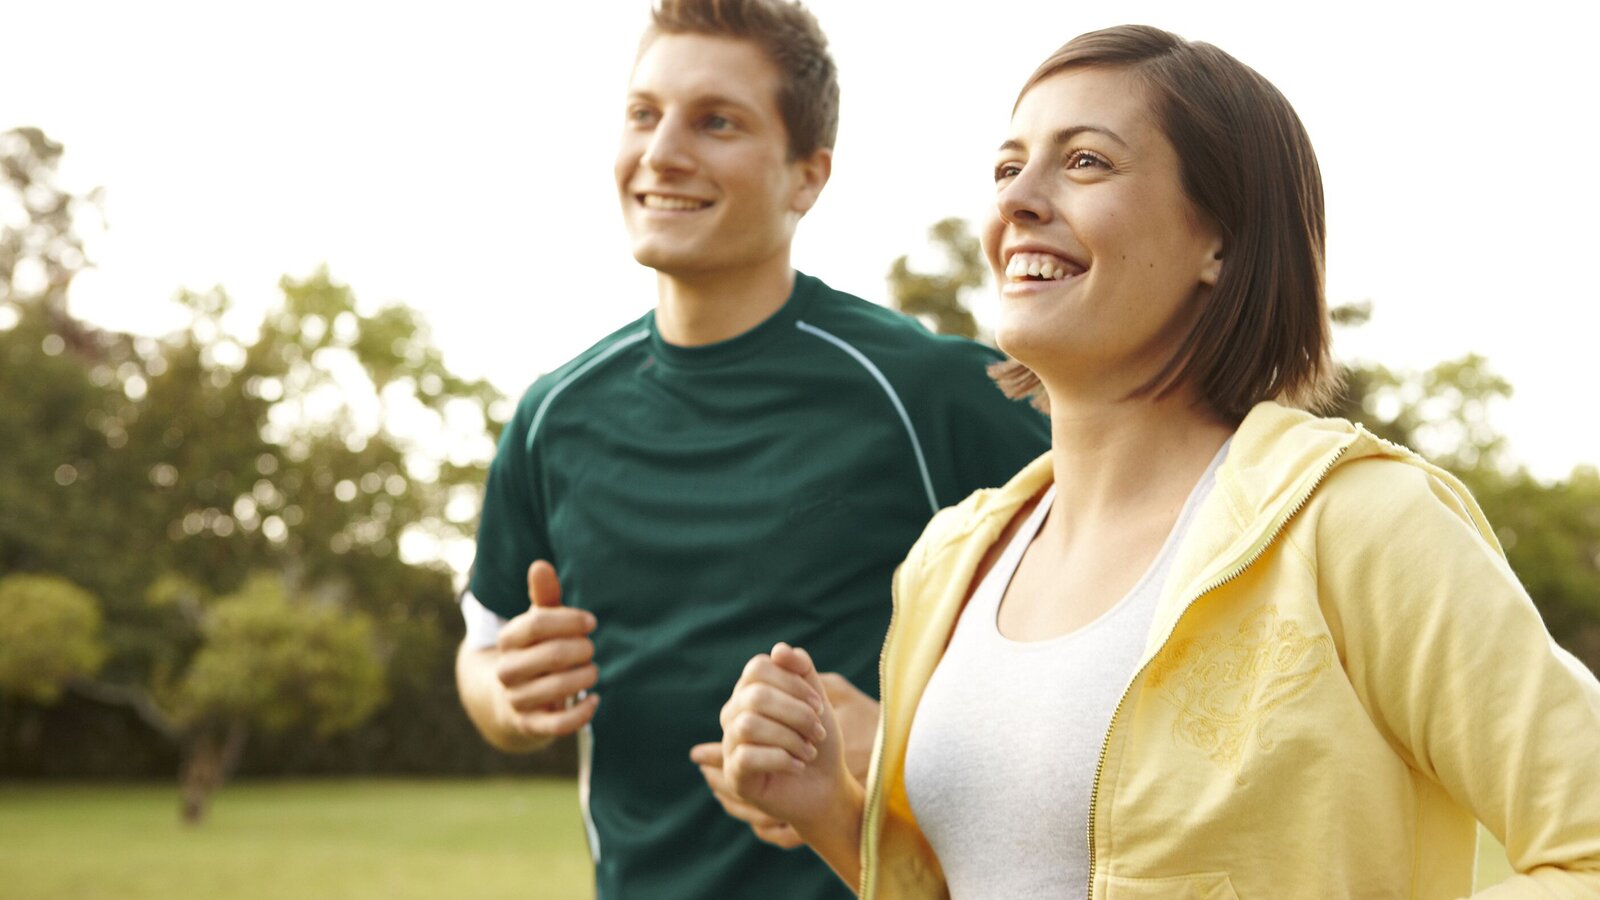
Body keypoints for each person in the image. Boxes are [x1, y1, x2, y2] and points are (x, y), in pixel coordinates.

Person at [717, 23, 1600, 899]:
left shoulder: (1357, 522)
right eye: (1007, 166)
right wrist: (831, 807)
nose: (1019, 199)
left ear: (1218, 241)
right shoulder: (950, 560)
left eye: (1087, 161)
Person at [453, 1, 1049, 897]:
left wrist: (902, 743)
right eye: (644, 113)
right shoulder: (551, 415)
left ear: (807, 176)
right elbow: (483, 651)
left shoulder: (933, 394)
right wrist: (507, 696)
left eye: (716, 121)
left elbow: (1120, 653)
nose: (662, 153)